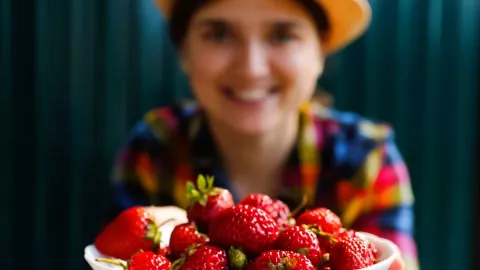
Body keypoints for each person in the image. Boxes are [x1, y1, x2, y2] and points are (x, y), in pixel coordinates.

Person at [109, 0, 418, 269]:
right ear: (184, 51)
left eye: (283, 35)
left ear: (320, 52)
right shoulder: (154, 148)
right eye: (219, 34)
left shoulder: (366, 157)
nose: (252, 68)